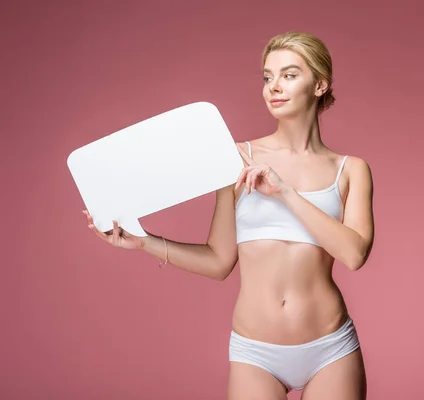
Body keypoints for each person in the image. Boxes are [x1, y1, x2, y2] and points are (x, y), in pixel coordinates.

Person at [83, 31, 375, 400]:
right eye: (267, 77)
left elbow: (354, 254)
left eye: (289, 74)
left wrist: (285, 191)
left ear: (319, 84)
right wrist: (144, 243)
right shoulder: (236, 159)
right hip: (255, 352)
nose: (274, 87)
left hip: (330, 348)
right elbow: (220, 261)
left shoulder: (350, 169)